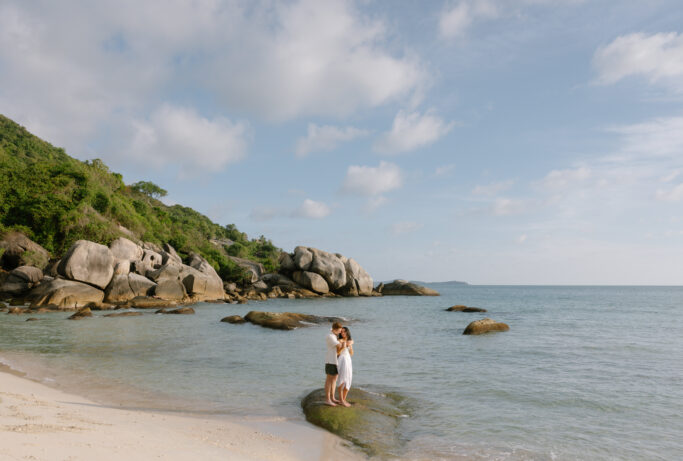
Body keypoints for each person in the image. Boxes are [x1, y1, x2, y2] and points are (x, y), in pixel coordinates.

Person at [325, 322, 345, 406]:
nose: (341, 332)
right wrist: (343, 343)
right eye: (340, 330)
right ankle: (327, 399)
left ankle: (332, 397)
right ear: (336, 329)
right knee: (329, 380)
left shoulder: (334, 335)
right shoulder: (330, 336)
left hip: (335, 361)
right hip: (331, 360)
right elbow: (339, 346)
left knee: (334, 379)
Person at [336, 327, 353, 407]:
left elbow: (351, 353)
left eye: (345, 332)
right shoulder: (339, 341)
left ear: (347, 332)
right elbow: (337, 353)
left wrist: (350, 346)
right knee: (342, 379)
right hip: (342, 360)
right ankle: (341, 400)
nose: (343, 333)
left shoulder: (349, 341)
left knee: (348, 379)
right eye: (342, 332)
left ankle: (343, 399)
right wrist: (344, 346)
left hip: (348, 360)